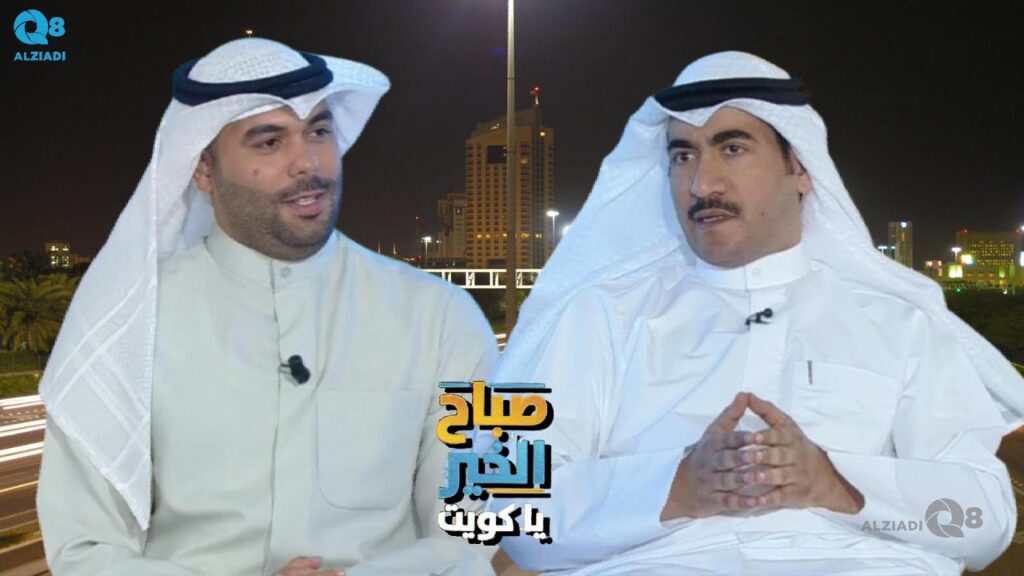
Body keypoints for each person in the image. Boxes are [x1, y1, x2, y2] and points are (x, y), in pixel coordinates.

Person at [491, 51, 1024, 575]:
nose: (703, 184)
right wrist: (678, 486)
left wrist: (831, 482)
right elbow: (513, 509)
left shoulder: (901, 325)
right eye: (683, 156)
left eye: (733, 149)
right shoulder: (600, 318)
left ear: (801, 168)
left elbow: (984, 521)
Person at [36, 38, 497, 576]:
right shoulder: (131, 328)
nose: (308, 163)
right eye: (270, 142)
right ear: (203, 170)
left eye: (319, 132)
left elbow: (478, 526)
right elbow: (83, 549)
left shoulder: (442, 316)